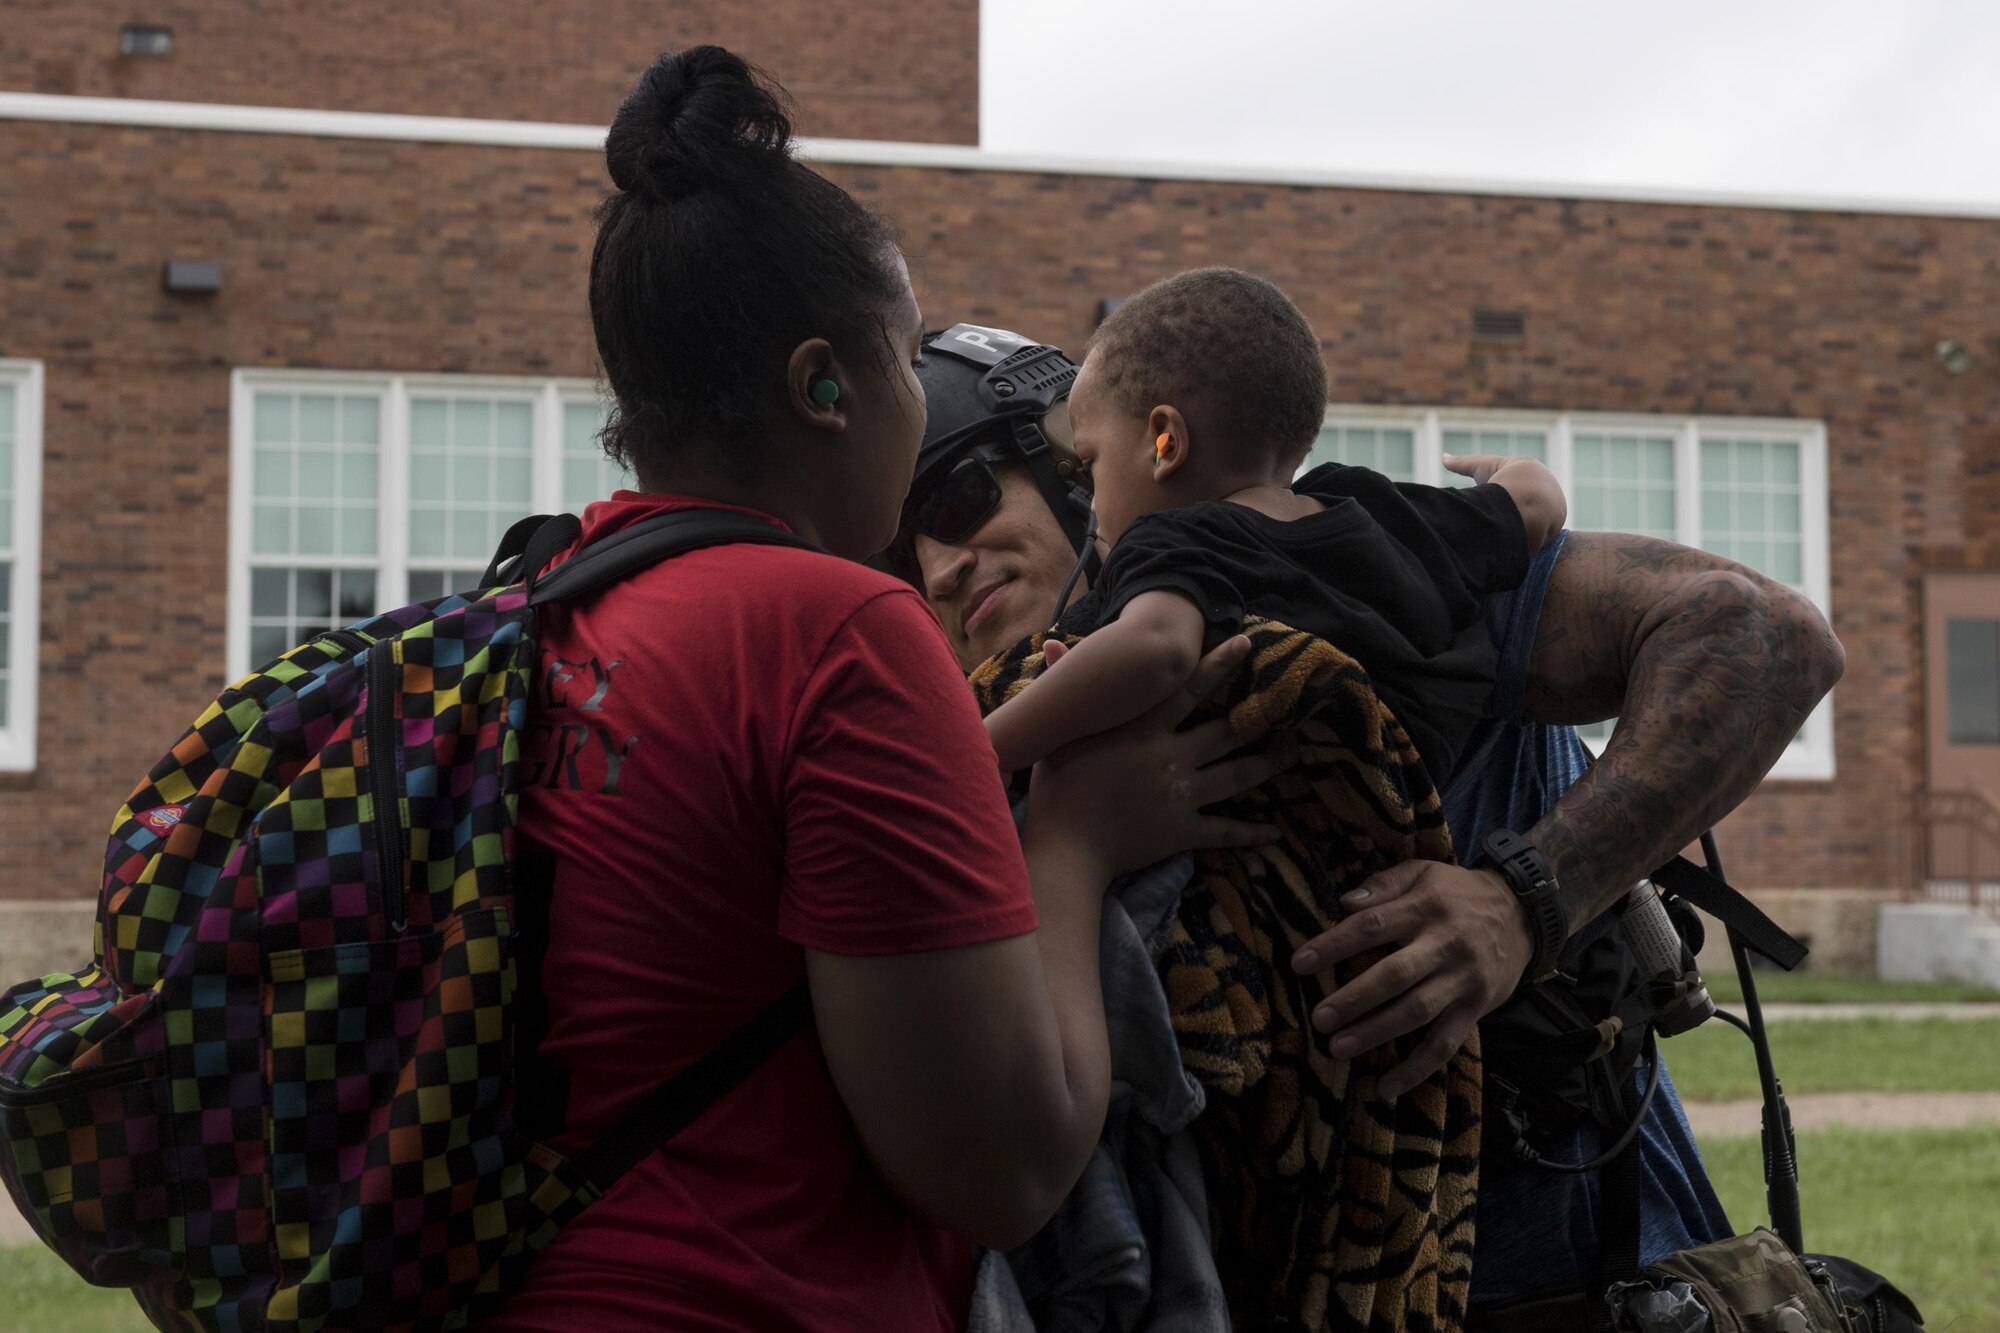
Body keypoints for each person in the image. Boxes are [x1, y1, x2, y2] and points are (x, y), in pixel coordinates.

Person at [483, 52, 1283, 1333]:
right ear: (823, 385)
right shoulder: (838, 634)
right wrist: (1071, 840)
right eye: (903, 363)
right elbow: (1003, 1172)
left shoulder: (541, 602)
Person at [892, 321, 1844, 1324]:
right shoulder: (998, 747)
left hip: (1584, 1281)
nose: (939, 564)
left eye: (958, 497)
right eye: (902, 545)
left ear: (1073, 465)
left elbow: (1759, 635)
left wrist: (1522, 900)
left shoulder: (1356, 566)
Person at [981, 267, 1567, 793]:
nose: (1089, 495)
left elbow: (1155, 648)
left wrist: (980, 754)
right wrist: (1499, 470)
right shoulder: (1379, 507)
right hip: (1432, 809)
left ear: (1166, 443)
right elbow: (1537, 504)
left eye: (1090, 461)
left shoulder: (1181, 540)